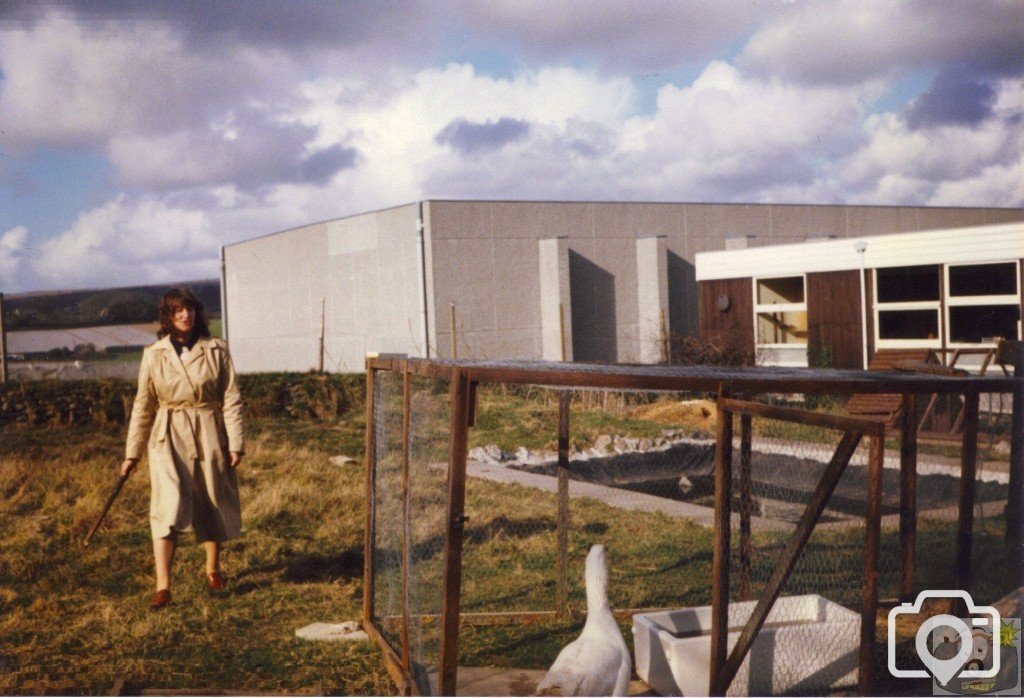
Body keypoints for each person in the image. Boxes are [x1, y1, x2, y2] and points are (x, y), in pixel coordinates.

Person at [121, 287, 245, 610]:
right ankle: (163, 586)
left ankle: (213, 569)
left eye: (189, 309)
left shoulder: (217, 350)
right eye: (177, 311)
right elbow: (142, 405)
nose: (184, 316)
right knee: (167, 506)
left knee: (212, 497)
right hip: (167, 434)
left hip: (208, 430)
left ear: (196, 312)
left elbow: (231, 399)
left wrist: (236, 442)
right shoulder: (153, 354)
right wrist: (132, 453)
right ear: (168, 316)